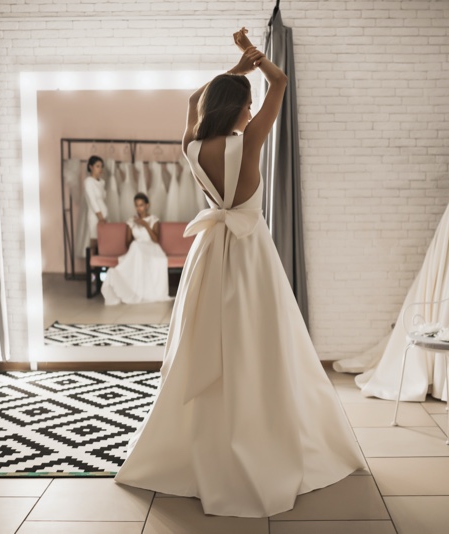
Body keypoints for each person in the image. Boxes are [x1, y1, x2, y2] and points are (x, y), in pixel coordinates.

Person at [114, 28, 365, 518]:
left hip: (210, 252)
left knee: (208, 341)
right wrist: (256, 59)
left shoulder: (191, 147)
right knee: (258, 342)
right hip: (250, 256)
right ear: (240, 109)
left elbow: (192, 98)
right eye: (246, 105)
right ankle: (261, 434)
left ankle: (204, 440)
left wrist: (235, 72)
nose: (251, 112)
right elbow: (282, 82)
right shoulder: (247, 140)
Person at [101, 193, 169, 305]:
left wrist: (145, 225)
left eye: (141, 205)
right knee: (135, 246)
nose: (139, 208)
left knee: (137, 247)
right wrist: (134, 226)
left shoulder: (154, 219)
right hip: (137, 249)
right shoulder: (131, 221)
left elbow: (156, 239)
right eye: (136, 205)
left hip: (152, 248)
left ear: (147, 205)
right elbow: (127, 243)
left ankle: (145, 291)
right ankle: (120, 278)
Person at [82, 155, 107, 252]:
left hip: (103, 216)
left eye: (101, 166)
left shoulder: (102, 182)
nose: (100, 169)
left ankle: (100, 264)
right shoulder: (88, 182)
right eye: (97, 166)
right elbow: (92, 201)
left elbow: (102, 199)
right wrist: (100, 217)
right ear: (90, 167)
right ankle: (92, 265)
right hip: (95, 216)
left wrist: (104, 217)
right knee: (94, 240)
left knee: (103, 242)